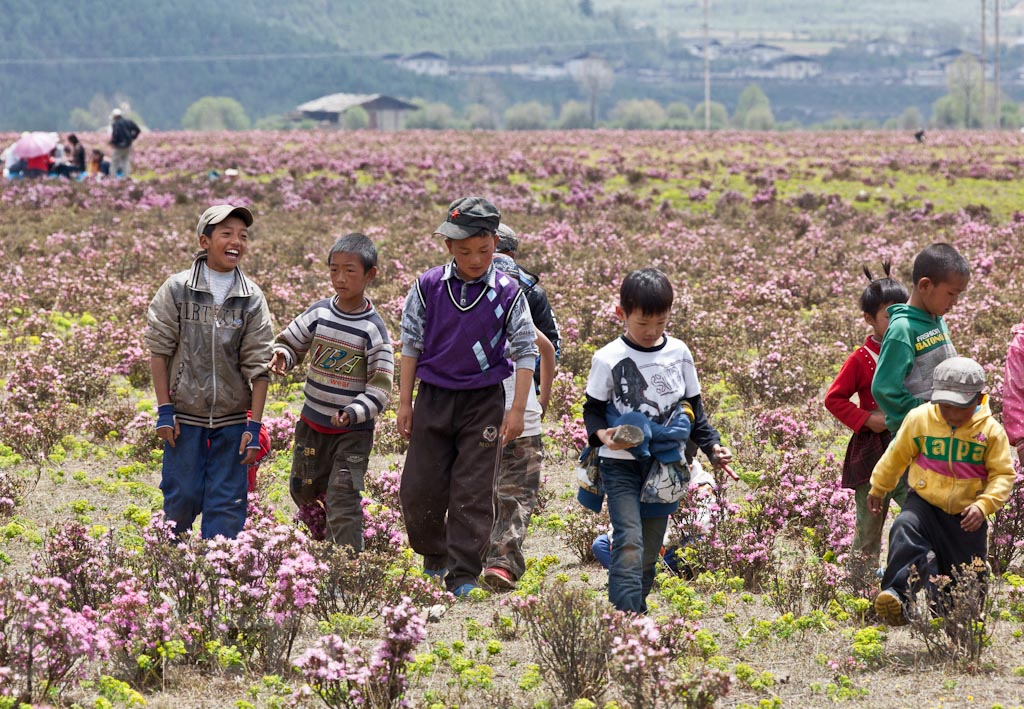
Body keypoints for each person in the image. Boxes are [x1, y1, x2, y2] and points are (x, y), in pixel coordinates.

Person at [398, 196, 538, 598]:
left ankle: (463, 574)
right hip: (434, 397)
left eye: (484, 249)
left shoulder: (509, 293)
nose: (475, 259)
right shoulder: (428, 287)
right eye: (464, 251)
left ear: (496, 242)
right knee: (418, 489)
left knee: (472, 491)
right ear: (448, 247)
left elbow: (526, 349)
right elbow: (411, 344)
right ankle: (434, 554)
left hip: (483, 403)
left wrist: (516, 409)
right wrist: (404, 402)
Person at [580, 268, 733, 614]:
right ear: (621, 314)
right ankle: (628, 616)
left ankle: (633, 607)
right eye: (642, 324)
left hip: (665, 467)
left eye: (660, 324)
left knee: (649, 550)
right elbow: (593, 409)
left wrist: (713, 448)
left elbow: (693, 410)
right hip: (620, 465)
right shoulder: (607, 358)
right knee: (629, 540)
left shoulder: (679, 353)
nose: (651, 333)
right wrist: (601, 435)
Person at [145, 204, 274, 539]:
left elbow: (260, 366)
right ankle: (176, 575)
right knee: (180, 501)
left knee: (227, 510)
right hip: (184, 419)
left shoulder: (251, 298)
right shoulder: (177, 289)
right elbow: (159, 351)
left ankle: (220, 582)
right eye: (227, 234)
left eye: (243, 236)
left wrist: (254, 424)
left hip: (233, 422)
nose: (237, 242)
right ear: (205, 240)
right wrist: (164, 410)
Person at [269, 233, 394, 552]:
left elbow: (380, 388)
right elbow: (289, 340)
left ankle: (346, 568)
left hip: (352, 433)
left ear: (370, 275)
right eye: (334, 269)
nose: (340, 278)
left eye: (350, 271)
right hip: (312, 426)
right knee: (302, 488)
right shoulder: (320, 312)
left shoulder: (373, 330)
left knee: (343, 496)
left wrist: (352, 412)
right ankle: (324, 538)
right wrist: (283, 355)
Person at [869, 357, 1014, 626]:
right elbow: (896, 455)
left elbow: (1003, 475)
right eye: (943, 405)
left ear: (979, 398)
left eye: (958, 407)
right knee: (903, 528)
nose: (949, 413)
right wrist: (879, 487)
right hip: (924, 502)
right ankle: (898, 595)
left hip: (967, 516)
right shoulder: (920, 419)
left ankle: (954, 622)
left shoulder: (991, 432)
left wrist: (984, 505)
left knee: (963, 583)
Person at [824, 264, 909, 591]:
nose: (898, 322)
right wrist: (866, 418)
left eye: (904, 313)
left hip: (908, 446)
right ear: (869, 319)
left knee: (916, 512)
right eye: (890, 315)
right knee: (870, 522)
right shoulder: (860, 358)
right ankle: (860, 588)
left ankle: (904, 578)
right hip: (873, 449)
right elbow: (834, 398)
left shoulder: (911, 348)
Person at [481, 326, 555, 591]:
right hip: (490, 421)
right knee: (499, 498)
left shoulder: (512, 312)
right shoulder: (516, 311)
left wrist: (542, 399)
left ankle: (501, 563)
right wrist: (542, 398)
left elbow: (546, 349)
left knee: (511, 498)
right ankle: (493, 559)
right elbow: (547, 350)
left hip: (517, 424)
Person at [872, 242, 969, 434]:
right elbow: (884, 388)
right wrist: (926, 411)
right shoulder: (902, 328)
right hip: (916, 437)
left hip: (942, 431)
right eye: (950, 293)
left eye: (959, 294)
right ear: (925, 285)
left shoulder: (936, 319)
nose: (955, 302)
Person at [495, 223, 561, 393]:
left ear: (510, 255)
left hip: (520, 384)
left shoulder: (533, 294)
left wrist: (531, 379)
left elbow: (551, 343)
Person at [109, 108, 141, 178]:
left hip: (118, 146)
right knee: (126, 161)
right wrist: (132, 138)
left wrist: (113, 142)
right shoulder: (128, 122)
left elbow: (115, 134)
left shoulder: (115, 124)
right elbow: (138, 130)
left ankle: (113, 178)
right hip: (128, 145)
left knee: (114, 162)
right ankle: (126, 177)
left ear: (115, 116)